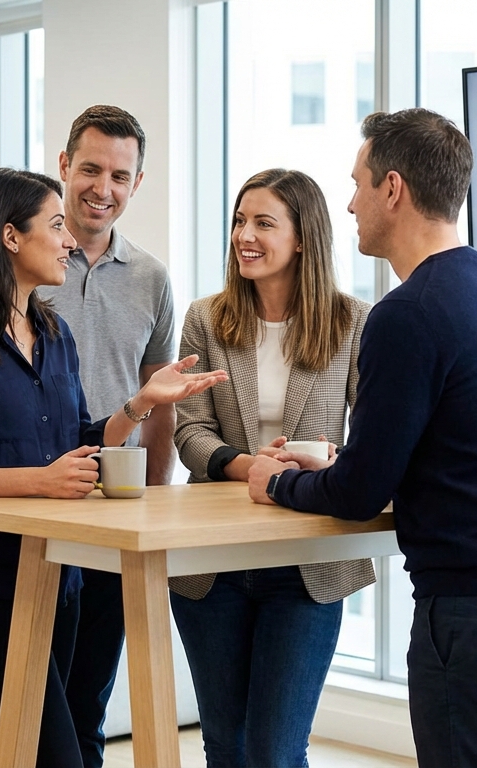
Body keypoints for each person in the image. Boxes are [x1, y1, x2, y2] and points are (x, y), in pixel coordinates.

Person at [246, 108, 477, 768]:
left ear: (393, 189)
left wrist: (278, 482)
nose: (348, 204)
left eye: (357, 183)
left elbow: (359, 492)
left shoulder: (407, 314)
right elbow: (454, 442)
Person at [0, 167, 224, 768]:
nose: (69, 240)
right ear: (9, 237)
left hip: (58, 574)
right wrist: (39, 482)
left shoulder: (53, 334)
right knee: (55, 756)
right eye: (54, 225)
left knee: (6, 747)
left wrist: (142, 403)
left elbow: (79, 438)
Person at [0, 104, 176, 768]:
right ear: (64, 167)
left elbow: (153, 401)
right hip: (18, 524)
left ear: (137, 183)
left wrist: (152, 495)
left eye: (121, 175)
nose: (103, 187)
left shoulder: (150, 279)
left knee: (84, 713)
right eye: (91, 169)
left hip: (110, 516)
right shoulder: (9, 274)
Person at [171, 168, 376, 767]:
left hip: (308, 563)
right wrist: (250, 468)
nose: (245, 236)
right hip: (213, 563)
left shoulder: (353, 322)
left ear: (304, 237)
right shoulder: (206, 318)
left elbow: (371, 435)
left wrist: (319, 461)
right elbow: (190, 433)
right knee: (224, 747)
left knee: (276, 752)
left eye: (264, 222)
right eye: (240, 221)